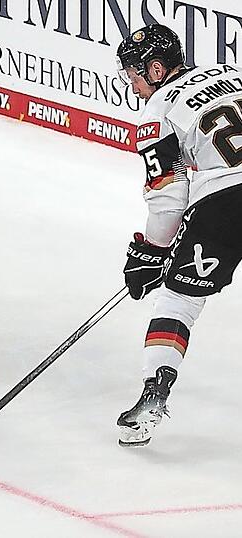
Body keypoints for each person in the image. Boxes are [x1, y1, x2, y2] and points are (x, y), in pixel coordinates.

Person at [116, 24, 242, 446]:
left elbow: (169, 196)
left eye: (134, 75)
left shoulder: (158, 111)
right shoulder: (231, 72)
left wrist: (152, 251)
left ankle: (153, 397)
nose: (133, 86)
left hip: (226, 202)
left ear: (155, 70)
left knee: (179, 298)